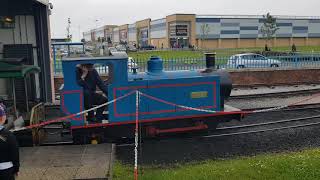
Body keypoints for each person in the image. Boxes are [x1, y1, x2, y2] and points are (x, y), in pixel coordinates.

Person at [0, 103, 19, 180]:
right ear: (3, 118)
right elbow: (15, 153)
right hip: (6, 170)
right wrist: (16, 168)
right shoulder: (9, 136)